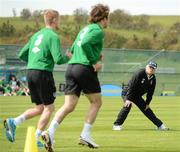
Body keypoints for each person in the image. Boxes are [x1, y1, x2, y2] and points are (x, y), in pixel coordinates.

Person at [41, 4, 110, 152]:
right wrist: (94, 61)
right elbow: (85, 44)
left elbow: (72, 49)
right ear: (103, 19)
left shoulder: (84, 29)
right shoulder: (98, 30)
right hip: (84, 69)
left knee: (68, 106)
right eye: (107, 19)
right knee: (96, 102)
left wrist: (90, 56)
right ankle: (85, 135)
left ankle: (50, 132)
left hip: (71, 68)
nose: (107, 22)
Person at [4, 9, 71, 147]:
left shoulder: (36, 35)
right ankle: (37, 138)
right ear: (54, 21)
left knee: (40, 108)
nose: (60, 22)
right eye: (59, 20)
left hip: (31, 72)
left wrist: (34, 60)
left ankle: (14, 121)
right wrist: (68, 57)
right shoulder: (53, 36)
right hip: (43, 73)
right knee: (49, 108)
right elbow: (58, 59)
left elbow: (22, 54)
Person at [113, 61, 169, 131]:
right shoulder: (139, 73)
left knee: (146, 109)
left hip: (137, 96)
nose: (151, 69)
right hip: (127, 92)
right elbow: (132, 86)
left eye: (153, 68)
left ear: (155, 70)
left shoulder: (153, 78)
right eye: (150, 67)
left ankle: (160, 125)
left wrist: (147, 103)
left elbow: (150, 92)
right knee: (128, 105)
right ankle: (117, 125)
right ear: (146, 67)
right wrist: (128, 99)